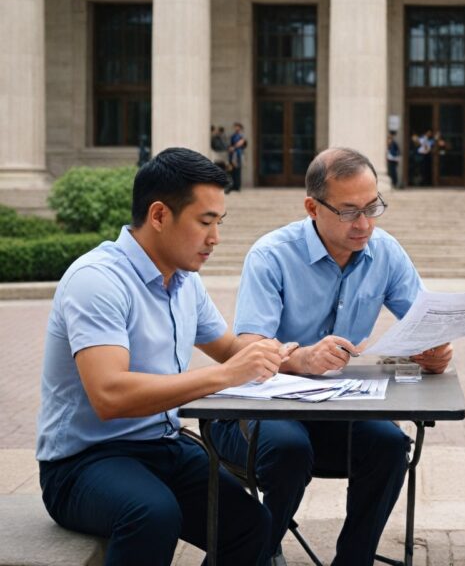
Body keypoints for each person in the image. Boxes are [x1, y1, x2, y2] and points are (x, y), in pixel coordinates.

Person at [35, 147, 293, 566]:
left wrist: (292, 355)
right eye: (205, 222)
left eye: (219, 223)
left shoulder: (183, 281)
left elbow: (229, 349)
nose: (215, 238)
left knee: (251, 523)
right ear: (158, 215)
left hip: (162, 446)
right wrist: (225, 375)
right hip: (82, 464)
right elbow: (110, 395)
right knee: (153, 515)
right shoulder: (97, 280)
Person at [209, 147, 453, 566]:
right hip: (259, 411)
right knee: (288, 449)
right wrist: (300, 359)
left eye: (373, 207)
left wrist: (434, 349)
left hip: (337, 409)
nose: (365, 224)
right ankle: (255, 553)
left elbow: (424, 320)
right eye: (349, 211)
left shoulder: (386, 252)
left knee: (390, 446)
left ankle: (354, 561)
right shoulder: (271, 255)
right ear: (312, 207)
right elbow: (249, 348)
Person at [228, 122, 247, 192]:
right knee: (232, 170)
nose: (235, 128)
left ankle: (237, 186)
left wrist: (233, 147)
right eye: (235, 126)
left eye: (237, 126)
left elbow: (241, 143)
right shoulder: (233, 135)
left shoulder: (241, 136)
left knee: (237, 170)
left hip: (237, 154)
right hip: (232, 155)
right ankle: (233, 185)